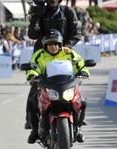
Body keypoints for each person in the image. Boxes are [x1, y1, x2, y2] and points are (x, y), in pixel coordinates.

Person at [25, 29, 89, 144]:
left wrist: (83, 71)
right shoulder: (39, 54)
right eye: (49, 44)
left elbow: (80, 64)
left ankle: (78, 128)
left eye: (55, 44)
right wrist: (32, 75)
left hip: (67, 86)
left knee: (83, 103)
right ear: (45, 45)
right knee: (32, 102)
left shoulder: (68, 53)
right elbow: (32, 68)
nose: (53, 46)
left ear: (60, 44)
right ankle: (34, 130)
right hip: (46, 87)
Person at [25, 0, 82, 129]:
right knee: (35, 91)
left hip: (63, 55)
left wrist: (67, 46)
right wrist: (35, 16)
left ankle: (77, 120)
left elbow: (76, 32)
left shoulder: (68, 11)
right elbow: (32, 34)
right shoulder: (41, 11)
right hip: (43, 55)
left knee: (74, 91)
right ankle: (32, 123)